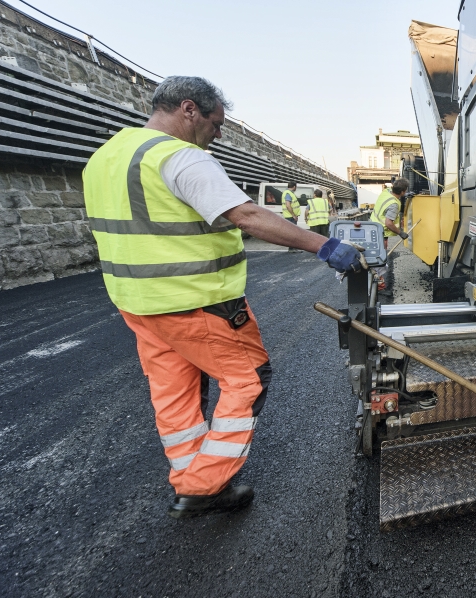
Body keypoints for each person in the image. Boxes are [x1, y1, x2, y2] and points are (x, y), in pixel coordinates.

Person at [83, 76, 361, 519]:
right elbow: (246, 215)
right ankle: (205, 486)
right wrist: (322, 245)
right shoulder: (180, 157)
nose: (219, 133)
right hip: (197, 302)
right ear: (189, 109)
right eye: (216, 123)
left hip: (139, 304)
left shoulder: (107, 157)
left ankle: (190, 474)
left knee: (175, 392)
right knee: (247, 380)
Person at [369, 178, 411, 291]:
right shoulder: (394, 204)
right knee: (379, 259)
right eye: (405, 191)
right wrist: (400, 233)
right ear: (402, 191)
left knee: (374, 256)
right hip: (380, 232)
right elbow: (388, 223)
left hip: (372, 227)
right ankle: (378, 285)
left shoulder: (386, 192)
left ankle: (376, 283)